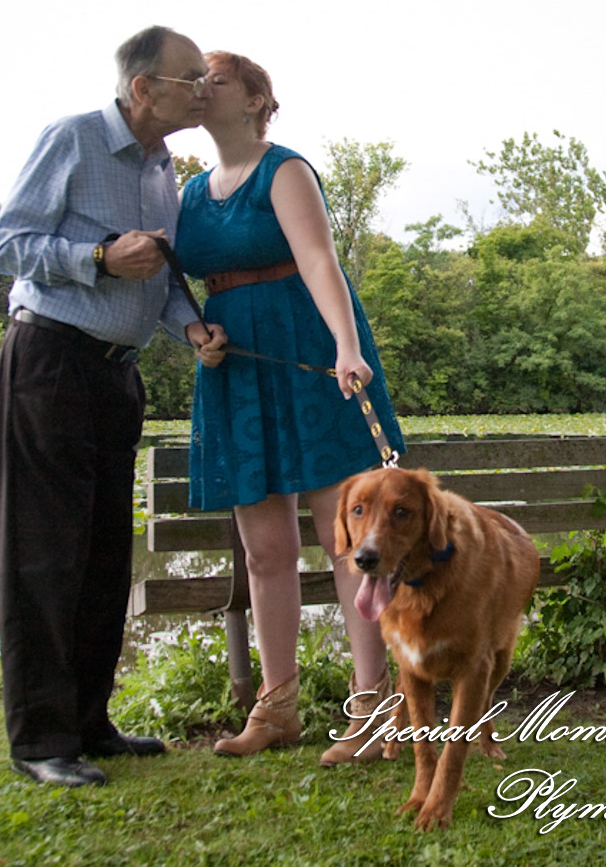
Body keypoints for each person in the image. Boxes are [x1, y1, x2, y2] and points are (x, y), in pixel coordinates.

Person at [0, 26, 227, 788]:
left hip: (115, 378)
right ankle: (40, 741)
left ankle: (89, 721)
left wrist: (188, 326)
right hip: (49, 362)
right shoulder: (74, 139)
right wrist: (95, 257)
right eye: (190, 76)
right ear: (143, 88)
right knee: (42, 555)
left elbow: (154, 282)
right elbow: (6, 244)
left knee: (99, 557)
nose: (202, 85)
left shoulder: (165, 172)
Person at [174, 50, 404, 764]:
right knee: (265, 549)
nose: (199, 88)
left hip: (310, 353)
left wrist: (346, 346)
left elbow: (319, 261)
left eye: (214, 78)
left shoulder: (287, 169)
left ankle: (376, 709)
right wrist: (196, 330)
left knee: (344, 540)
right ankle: (276, 708)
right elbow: (180, 281)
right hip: (236, 367)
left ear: (254, 99)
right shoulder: (188, 192)